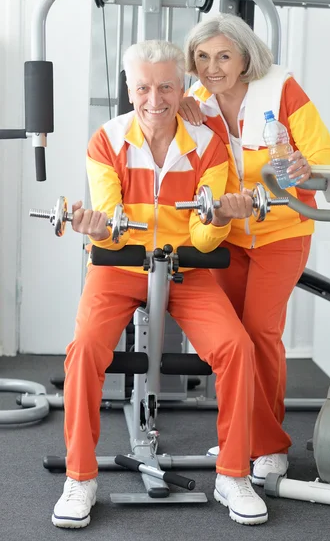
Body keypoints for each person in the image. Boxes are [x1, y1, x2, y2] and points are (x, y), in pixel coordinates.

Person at [51, 39, 268, 529]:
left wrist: (220, 216)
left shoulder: (208, 144)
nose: (155, 99)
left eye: (166, 86)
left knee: (237, 347)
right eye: (144, 87)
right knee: (84, 351)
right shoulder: (106, 140)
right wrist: (95, 226)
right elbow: (112, 219)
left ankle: (233, 474)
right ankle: (80, 477)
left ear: (181, 87)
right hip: (119, 267)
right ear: (130, 88)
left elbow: (204, 234)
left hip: (186, 267)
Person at [180, 13, 330, 485]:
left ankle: (270, 446)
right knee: (232, 339)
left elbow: (326, 160)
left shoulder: (283, 90)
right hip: (229, 235)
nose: (212, 67)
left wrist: (302, 164)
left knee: (259, 331)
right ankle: (240, 438)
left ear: (246, 57)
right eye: (203, 58)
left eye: (223, 56)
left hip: (282, 231)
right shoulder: (197, 103)